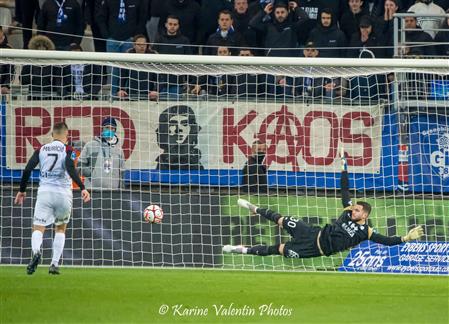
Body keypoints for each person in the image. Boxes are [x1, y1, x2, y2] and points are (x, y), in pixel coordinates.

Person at [223, 150, 424, 259]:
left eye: (357, 210)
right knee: (283, 219)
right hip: (311, 232)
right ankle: (254, 208)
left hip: (314, 250)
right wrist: (344, 165)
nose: (353, 210)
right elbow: (345, 190)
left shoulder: (367, 232)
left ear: (365, 215)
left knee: (277, 249)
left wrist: (406, 237)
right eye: (353, 208)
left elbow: (387, 241)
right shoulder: (347, 211)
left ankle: (240, 250)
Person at [14, 122, 90, 275]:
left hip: (45, 193)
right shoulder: (70, 150)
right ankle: (54, 264)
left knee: (38, 228)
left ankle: (36, 252)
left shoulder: (41, 149)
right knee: (61, 228)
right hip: (63, 194)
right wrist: (82, 188)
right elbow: (70, 167)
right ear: (67, 135)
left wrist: (22, 190)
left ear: (52, 135)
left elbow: (28, 169)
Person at [77, 117, 125, 189]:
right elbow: (79, 165)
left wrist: (121, 189)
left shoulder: (119, 150)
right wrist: (91, 174)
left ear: (115, 131)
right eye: (107, 127)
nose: (110, 130)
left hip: (113, 192)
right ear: (102, 129)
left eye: (112, 128)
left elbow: (122, 172)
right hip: (92, 190)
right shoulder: (91, 145)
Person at [155, 105, 204, 170]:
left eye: (185, 124)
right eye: (173, 124)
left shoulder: (194, 161)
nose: (179, 129)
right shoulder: (163, 162)